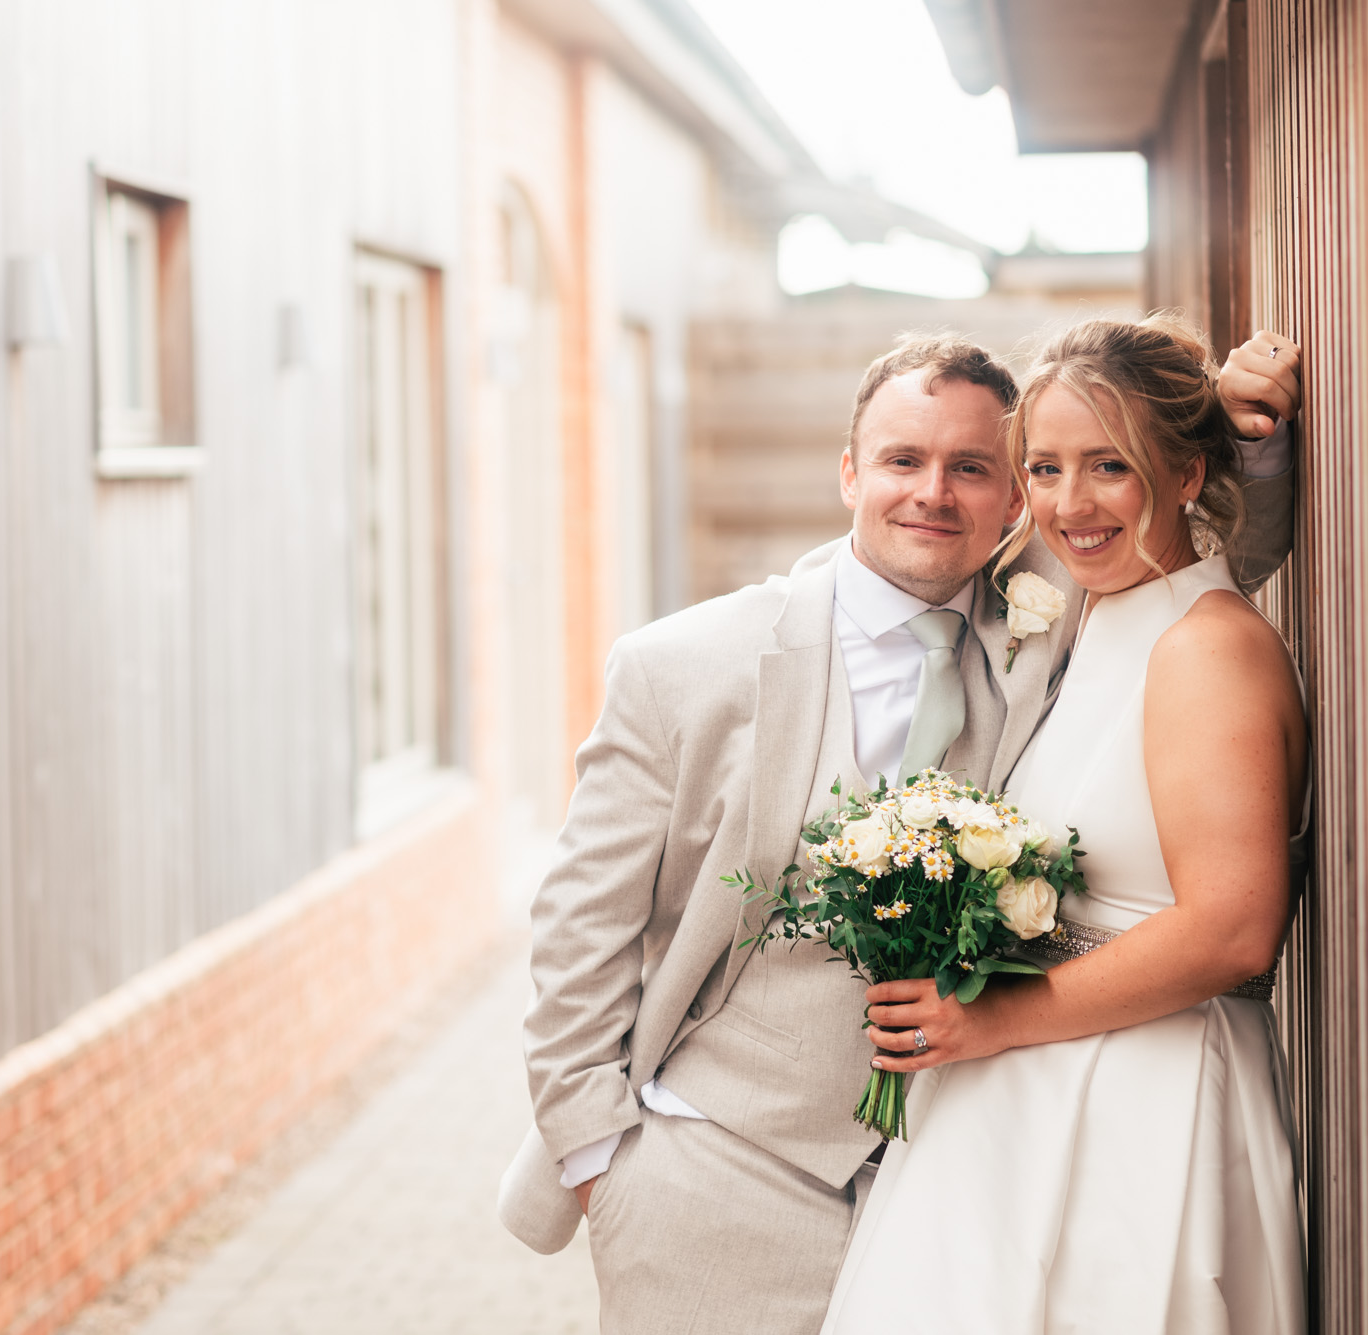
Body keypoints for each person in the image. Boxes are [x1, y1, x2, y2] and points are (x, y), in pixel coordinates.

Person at [499, 323, 1305, 1334]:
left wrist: (1249, 442)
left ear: (1008, 499)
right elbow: (579, 928)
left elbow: (1190, 565)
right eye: (901, 461)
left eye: (971, 467)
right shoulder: (684, 666)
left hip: (957, 1174)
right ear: (848, 473)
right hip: (718, 1178)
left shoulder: (1047, 615)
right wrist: (597, 1161)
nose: (932, 493)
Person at [822, 314, 1309, 1334]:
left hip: (1144, 1105)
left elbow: (1232, 928)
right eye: (1042, 469)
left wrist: (984, 1021)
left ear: (1179, 473)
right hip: (1034, 1097)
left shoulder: (1205, 648)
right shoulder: (1089, 610)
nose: (1067, 505)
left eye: (1109, 467)